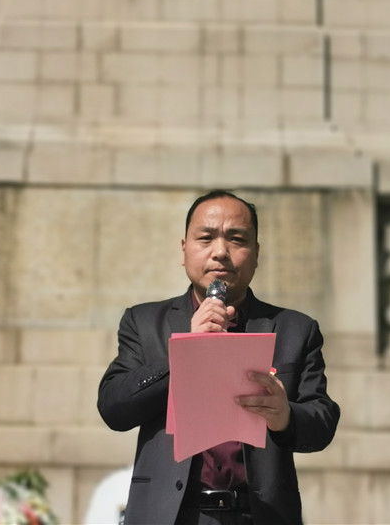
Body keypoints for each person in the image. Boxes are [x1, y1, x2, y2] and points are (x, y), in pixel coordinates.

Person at [97, 190, 340, 525]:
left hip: (258, 515)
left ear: (256, 253)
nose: (221, 252)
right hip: (170, 515)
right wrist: (185, 352)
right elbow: (113, 407)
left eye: (237, 239)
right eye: (206, 238)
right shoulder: (145, 322)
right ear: (184, 249)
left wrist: (285, 416)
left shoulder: (295, 329)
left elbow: (322, 423)